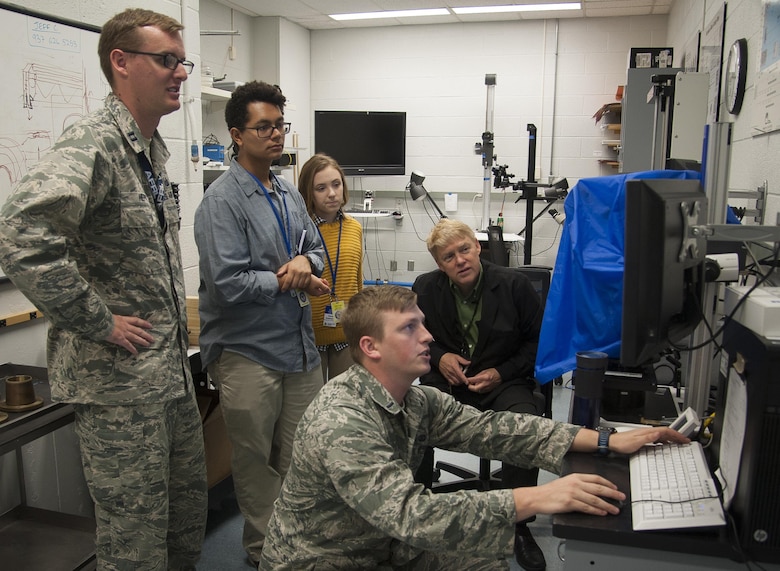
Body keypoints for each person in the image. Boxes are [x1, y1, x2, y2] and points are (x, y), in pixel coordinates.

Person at [258, 285, 689, 570]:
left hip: (378, 541)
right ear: (370, 347)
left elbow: (492, 429)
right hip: (321, 558)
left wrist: (605, 440)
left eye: (422, 323)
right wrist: (539, 495)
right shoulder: (343, 419)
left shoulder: (413, 398)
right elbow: (414, 514)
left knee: (484, 560)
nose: (428, 337)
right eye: (410, 328)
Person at [0, 8, 207, 569]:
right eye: (165, 60)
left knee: (186, 525)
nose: (180, 73)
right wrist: (100, 321)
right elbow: (20, 233)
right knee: (135, 544)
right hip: (119, 392)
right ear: (121, 61)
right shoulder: (93, 143)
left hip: (167, 380)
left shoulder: (149, 153)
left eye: (180, 61)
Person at [194, 80, 330, 566]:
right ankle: (265, 551)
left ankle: (301, 542)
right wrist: (289, 277)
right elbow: (227, 285)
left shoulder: (289, 193)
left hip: (299, 350)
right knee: (254, 462)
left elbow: (317, 250)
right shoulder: (221, 202)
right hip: (247, 353)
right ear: (236, 134)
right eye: (264, 127)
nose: (276, 135)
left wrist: (307, 265)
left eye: (280, 125)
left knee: (304, 455)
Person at [412, 218, 547, 570]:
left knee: (524, 425)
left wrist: (501, 372)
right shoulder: (425, 288)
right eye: (448, 257)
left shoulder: (514, 285)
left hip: (504, 380)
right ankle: (417, 518)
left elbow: (539, 343)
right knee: (414, 419)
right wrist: (440, 359)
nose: (459, 260)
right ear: (439, 264)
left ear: (477, 246)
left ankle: (519, 525)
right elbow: (414, 336)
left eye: (464, 250)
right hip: (449, 383)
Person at [297, 153, 363, 381]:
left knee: (343, 406)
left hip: (346, 334)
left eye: (336, 184)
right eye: (321, 188)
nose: (332, 193)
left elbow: (357, 282)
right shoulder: (300, 231)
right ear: (308, 192)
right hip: (308, 339)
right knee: (312, 408)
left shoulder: (355, 228)